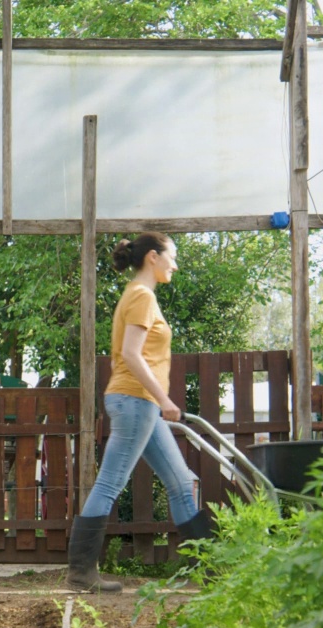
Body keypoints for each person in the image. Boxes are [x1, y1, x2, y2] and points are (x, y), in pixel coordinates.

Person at [68, 232, 213, 593]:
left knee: (181, 482)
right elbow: (132, 354)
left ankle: (211, 571)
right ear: (153, 256)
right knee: (109, 483)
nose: (175, 265)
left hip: (139, 403)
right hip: (136, 401)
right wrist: (164, 398)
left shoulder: (139, 296)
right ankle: (81, 574)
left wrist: (158, 401)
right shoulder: (142, 296)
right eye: (171, 257)